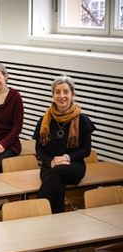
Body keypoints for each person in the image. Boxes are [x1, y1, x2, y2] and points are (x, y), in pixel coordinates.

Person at [33, 76, 95, 213]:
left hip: (74, 166)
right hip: (50, 166)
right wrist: (51, 162)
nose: (62, 96)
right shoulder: (44, 120)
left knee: (57, 173)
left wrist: (66, 158)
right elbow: (39, 149)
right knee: (57, 180)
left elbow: (86, 150)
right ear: (53, 95)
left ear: (72, 94)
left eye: (66, 92)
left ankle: (36, 212)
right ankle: (56, 218)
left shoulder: (82, 120)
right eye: (58, 92)